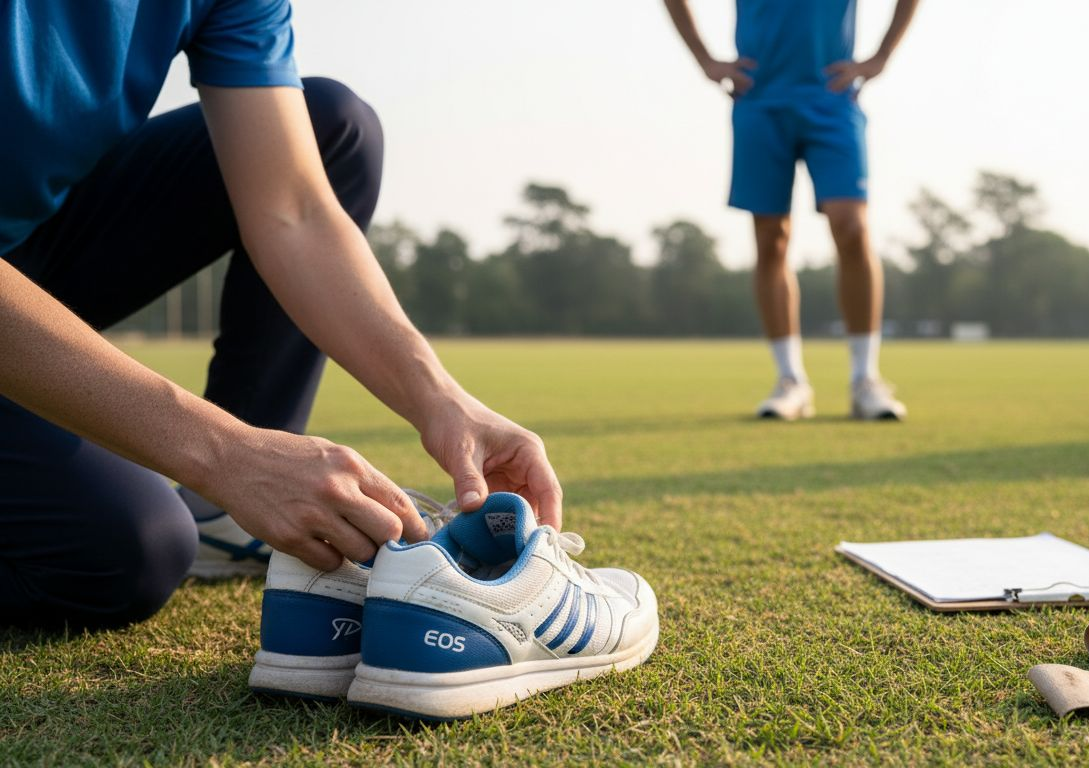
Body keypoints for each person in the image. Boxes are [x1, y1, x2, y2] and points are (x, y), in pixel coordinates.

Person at [0, 0, 562, 629]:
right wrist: (224, 454)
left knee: (330, 127)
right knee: (120, 554)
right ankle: (236, 485)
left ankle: (226, 519)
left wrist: (442, 401)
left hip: (27, 251)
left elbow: (291, 210)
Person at [664, 0, 920, 420]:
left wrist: (881, 56)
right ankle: (791, 381)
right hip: (759, 100)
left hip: (832, 98)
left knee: (851, 226)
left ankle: (864, 379)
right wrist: (705, 60)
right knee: (771, 239)